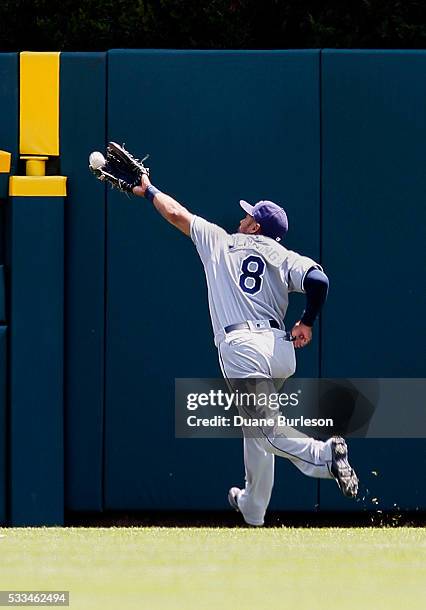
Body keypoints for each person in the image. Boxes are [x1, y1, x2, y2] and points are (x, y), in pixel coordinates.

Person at [133, 175, 359, 527]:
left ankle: (324, 454)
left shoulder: (221, 241)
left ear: (254, 226)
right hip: (280, 351)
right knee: (255, 431)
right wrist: (307, 321)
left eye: (247, 216)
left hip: (243, 348)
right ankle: (253, 506)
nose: (241, 219)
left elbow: (175, 213)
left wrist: (148, 190)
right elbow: (319, 281)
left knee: (266, 431)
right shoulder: (284, 254)